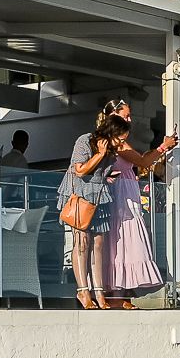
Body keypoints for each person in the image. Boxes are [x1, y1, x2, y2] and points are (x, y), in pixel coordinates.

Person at [101, 101, 177, 308]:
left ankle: (121, 290)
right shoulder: (117, 142)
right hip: (122, 195)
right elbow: (143, 162)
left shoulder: (116, 141)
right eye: (125, 116)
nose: (129, 119)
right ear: (113, 116)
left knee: (123, 240)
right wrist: (163, 146)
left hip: (126, 191)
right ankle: (117, 292)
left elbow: (140, 161)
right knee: (124, 238)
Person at [60, 111, 119, 309]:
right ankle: (83, 290)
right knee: (82, 241)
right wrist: (100, 154)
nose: (120, 143)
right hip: (80, 196)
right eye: (119, 138)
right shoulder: (85, 141)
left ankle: (99, 291)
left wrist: (110, 174)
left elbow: (103, 173)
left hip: (99, 197)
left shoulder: (112, 151)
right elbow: (80, 169)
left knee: (99, 243)